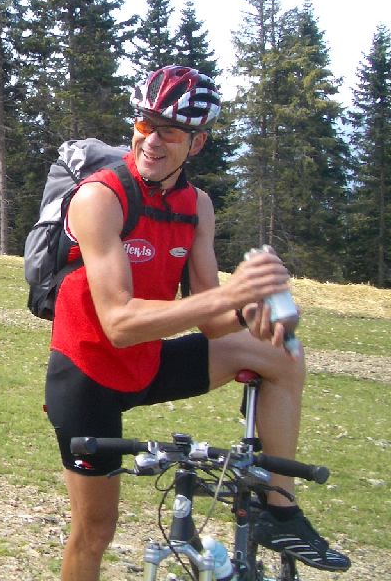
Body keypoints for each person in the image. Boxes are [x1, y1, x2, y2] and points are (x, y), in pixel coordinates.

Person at [43, 65, 350, 581]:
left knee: (281, 353)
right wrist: (234, 296)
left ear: (197, 142)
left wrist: (258, 313)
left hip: (147, 363)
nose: (152, 140)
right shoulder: (101, 197)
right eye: (145, 124)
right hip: (87, 374)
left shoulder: (197, 206)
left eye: (170, 131)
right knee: (95, 531)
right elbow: (119, 322)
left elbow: (211, 314)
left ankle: (279, 511)